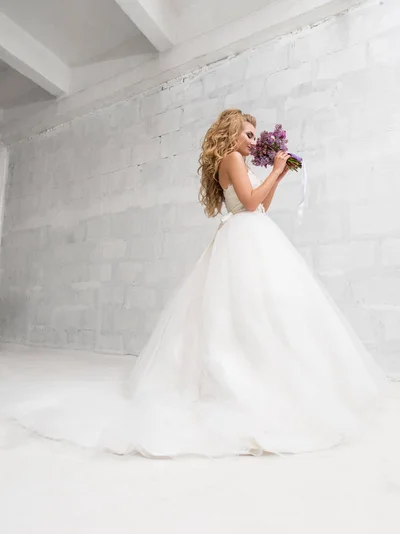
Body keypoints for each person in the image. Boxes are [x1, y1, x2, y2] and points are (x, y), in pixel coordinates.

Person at [2, 108, 391, 458]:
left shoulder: (242, 160)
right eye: (249, 133)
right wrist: (274, 169)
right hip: (243, 238)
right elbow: (251, 204)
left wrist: (278, 175)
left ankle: (271, 379)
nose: (254, 140)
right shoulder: (231, 158)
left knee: (266, 313)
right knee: (245, 314)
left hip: (256, 234)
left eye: (257, 135)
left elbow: (263, 204)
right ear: (232, 134)